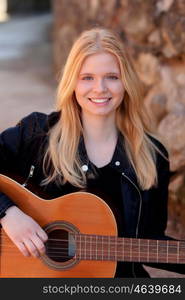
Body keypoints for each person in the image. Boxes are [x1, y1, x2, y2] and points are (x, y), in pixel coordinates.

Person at [0, 27, 184, 278]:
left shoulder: (151, 155)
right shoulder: (36, 134)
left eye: (111, 76)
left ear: (125, 82)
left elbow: (149, 240)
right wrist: (8, 214)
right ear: (72, 82)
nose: (100, 88)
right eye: (87, 77)